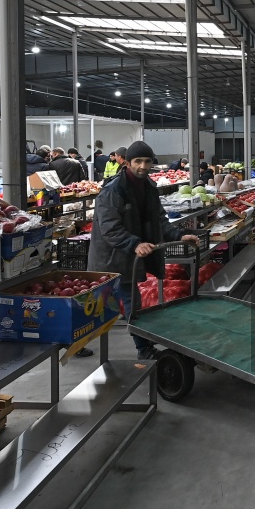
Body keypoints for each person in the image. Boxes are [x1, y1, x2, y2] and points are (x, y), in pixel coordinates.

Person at [88, 141, 198, 359]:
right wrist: (134, 243)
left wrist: (178, 235)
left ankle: (142, 345)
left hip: (130, 254)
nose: (143, 166)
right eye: (138, 161)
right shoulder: (113, 191)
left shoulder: (148, 187)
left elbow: (159, 219)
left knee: (114, 303)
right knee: (127, 302)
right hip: (112, 257)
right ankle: (143, 349)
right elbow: (110, 228)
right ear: (127, 163)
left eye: (147, 161)